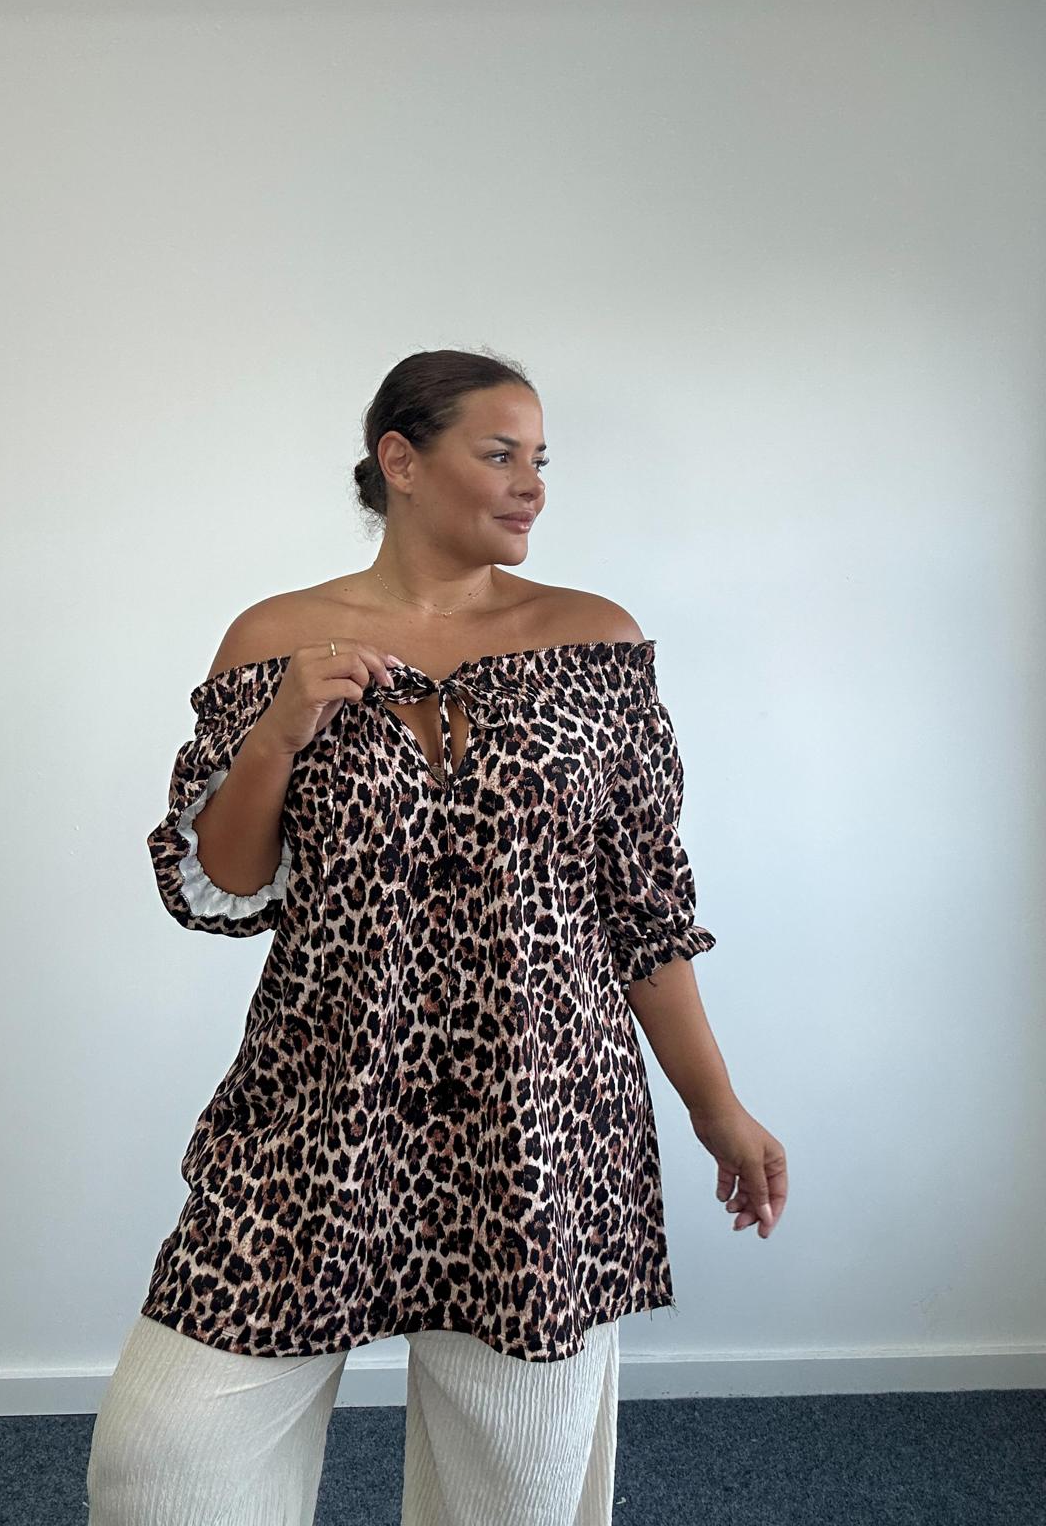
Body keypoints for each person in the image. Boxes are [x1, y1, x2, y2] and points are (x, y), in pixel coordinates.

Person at [85, 348, 788, 1525]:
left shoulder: (597, 643)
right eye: (500, 453)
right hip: (319, 1095)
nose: (532, 484)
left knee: (512, 1487)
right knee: (164, 1466)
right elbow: (219, 886)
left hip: (542, 1108)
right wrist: (278, 732)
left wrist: (717, 1108)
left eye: (541, 459)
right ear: (401, 460)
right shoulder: (276, 635)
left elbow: (644, 910)